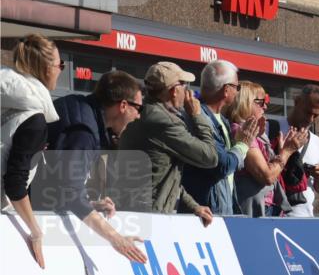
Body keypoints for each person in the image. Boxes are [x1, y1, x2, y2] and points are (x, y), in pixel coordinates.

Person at [32, 70, 148, 263]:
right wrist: (116, 238)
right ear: (123, 105)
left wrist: (90, 204)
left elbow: (61, 184)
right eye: (139, 109)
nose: (138, 116)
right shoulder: (83, 131)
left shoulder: (79, 106)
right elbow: (70, 192)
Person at [118, 62, 243, 225]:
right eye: (184, 85)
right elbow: (210, 157)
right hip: (149, 218)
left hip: (138, 213)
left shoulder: (145, 114)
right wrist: (198, 117)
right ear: (174, 90)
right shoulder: (164, 122)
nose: (188, 91)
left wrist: (194, 206)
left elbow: (168, 177)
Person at [0, 34, 62, 267]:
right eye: (60, 65)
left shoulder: (7, 100)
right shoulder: (34, 119)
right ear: (47, 69)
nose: (61, 70)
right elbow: (15, 184)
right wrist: (35, 231)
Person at [224, 82, 308, 217]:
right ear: (245, 103)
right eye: (260, 102)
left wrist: (281, 151)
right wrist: (287, 151)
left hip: (264, 206)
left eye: (266, 101)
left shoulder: (253, 133)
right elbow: (267, 176)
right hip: (254, 210)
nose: (265, 106)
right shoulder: (241, 131)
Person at [181, 60, 252, 215]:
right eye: (236, 86)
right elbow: (223, 165)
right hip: (206, 214)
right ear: (226, 90)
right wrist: (242, 145)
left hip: (221, 210)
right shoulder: (198, 119)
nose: (237, 91)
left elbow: (232, 165)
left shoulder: (222, 120)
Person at [278, 85, 319, 217]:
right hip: (274, 215)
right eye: (308, 112)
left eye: (316, 115)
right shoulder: (273, 128)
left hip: (305, 216)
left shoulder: (318, 143)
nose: (311, 119)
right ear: (296, 102)